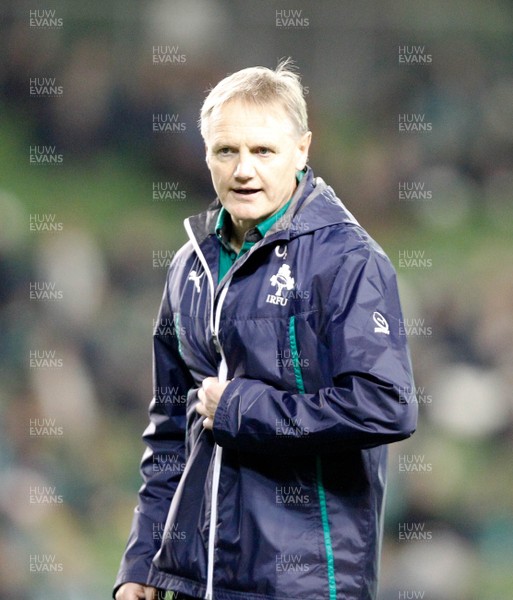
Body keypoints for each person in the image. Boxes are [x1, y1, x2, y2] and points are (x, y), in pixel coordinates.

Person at [114, 60, 417, 600]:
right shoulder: (190, 265)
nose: (243, 170)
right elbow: (169, 427)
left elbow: (386, 403)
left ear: (302, 150)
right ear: (205, 152)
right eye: (226, 151)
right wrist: (142, 561)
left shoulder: (347, 261)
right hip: (194, 580)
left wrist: (241, 409)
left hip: (303, 583)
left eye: (263, 151)